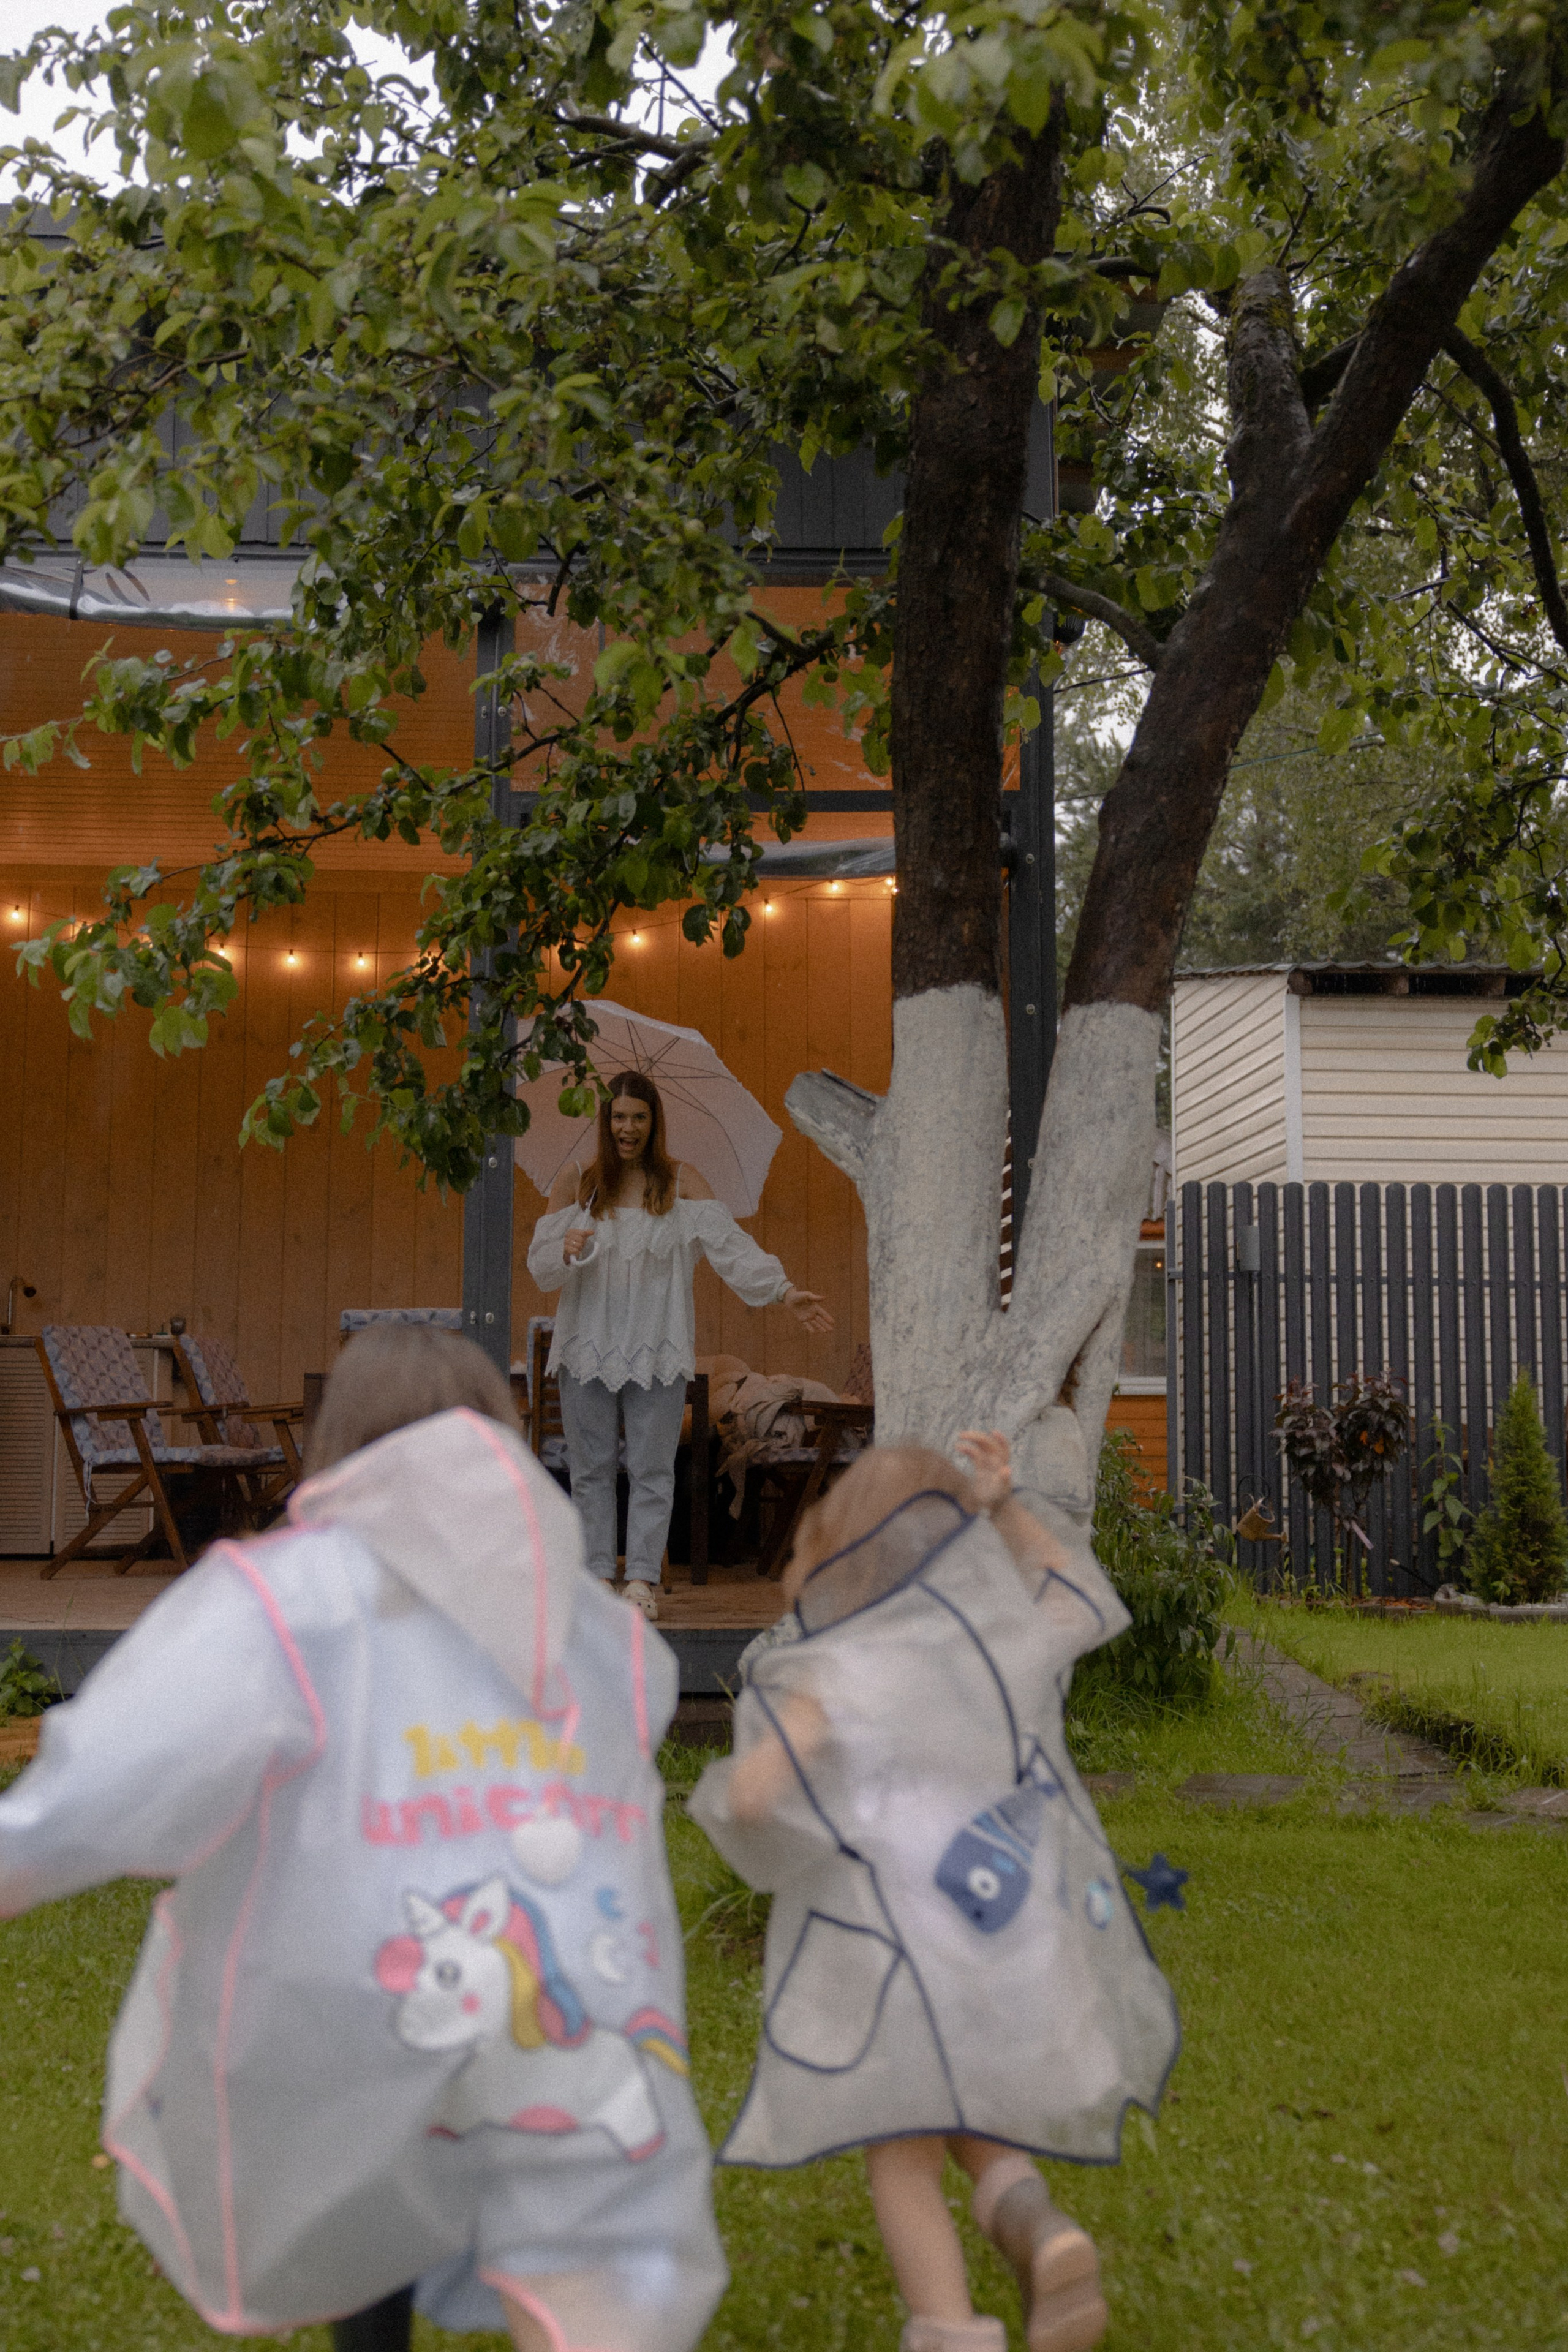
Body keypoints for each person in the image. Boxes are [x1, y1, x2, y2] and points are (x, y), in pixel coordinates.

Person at [0, 1324, 726, 2352]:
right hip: (573, 1987)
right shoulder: (580, 1614)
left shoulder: (289, 1598)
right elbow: (638, 1714)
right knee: (574, 2248)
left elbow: (119, 1769)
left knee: (361, 2163)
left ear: (338, 1444)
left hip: (366, 1978)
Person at [688, 1432, 1181, 2352]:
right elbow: (1078, 1600)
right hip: (1011, 1944)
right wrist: (1007, 1508)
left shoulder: (835, 1672)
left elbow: (755, 1797)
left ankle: (950, 2328)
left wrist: (744, 1784)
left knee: (903, 2154)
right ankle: (1041, 2231)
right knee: (974, 2112)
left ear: (840, 1551)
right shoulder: (996, 1654)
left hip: (904, 1955)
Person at [527, 1069, 832, 1619]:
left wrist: (784, 1291)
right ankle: (596, 1578)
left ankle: (641, 1581)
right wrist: (564, 1249)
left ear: (654, 1123)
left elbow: (732, 1248)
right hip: (586, 1349)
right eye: (619, 1117)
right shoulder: (577, 1183)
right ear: (605, 1121)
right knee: (591, 1472)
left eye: (639, 1118)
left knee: (653, 1472)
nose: (628, 1128)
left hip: (658, 1351)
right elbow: (541, 1270)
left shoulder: (681, 1182)